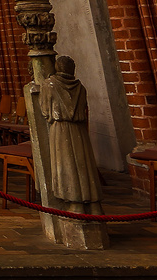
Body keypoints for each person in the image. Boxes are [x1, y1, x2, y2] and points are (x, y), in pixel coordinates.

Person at [40, 55, 103, 209]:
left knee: (66, 165)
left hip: (60, 130)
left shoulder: (49, 85)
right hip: (79, 131)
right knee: (84, 166)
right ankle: (94, 206)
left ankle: (75, 203)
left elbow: (45, 111)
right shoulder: (80, 86)